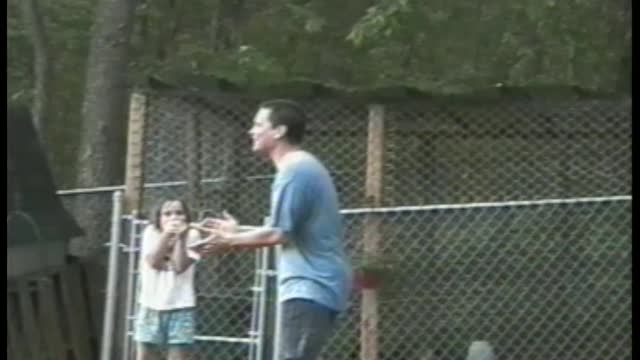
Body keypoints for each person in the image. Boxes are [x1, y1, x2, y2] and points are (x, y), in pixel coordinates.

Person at [202, 99, 353, 360]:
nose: (251, 131)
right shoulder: (302, 167)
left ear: (279, 131)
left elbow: (278, 234)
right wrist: (237, 232)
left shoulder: (294, 171)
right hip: (315, 286)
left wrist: (230, 240)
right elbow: (286, 229)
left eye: (258, 124)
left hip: (310, 285)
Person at [135, 199, 212, 360]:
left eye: (179, 213)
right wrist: (167, 234)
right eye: (167, 214)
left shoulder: (193, 235)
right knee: (145, 355)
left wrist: (181, 237)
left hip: (181, 305)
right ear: (159, 217)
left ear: (186, 216)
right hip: (150, 304)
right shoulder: (151, 232)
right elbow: (154, 262)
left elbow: (179, 266)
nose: (173, 218)